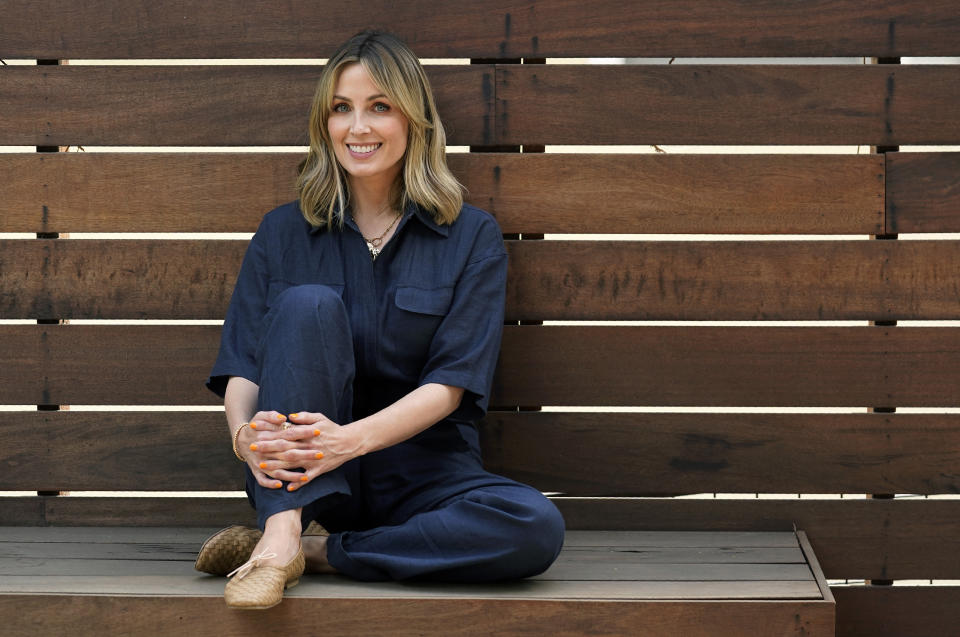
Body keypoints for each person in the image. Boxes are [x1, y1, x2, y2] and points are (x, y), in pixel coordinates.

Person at [195, 30, 565, 610]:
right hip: (306, 481)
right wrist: (245, 440)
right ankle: (286, 529)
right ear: (324, 124)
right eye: (341, 109)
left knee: (533, 527)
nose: (358, 127)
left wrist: (350, 441)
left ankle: (314, 553)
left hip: (421, 479)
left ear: (414, 120)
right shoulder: (282, 233)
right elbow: (244, 363)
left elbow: (450, 386)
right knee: (306, 302)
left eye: (380, 107)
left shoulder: (471, 237)